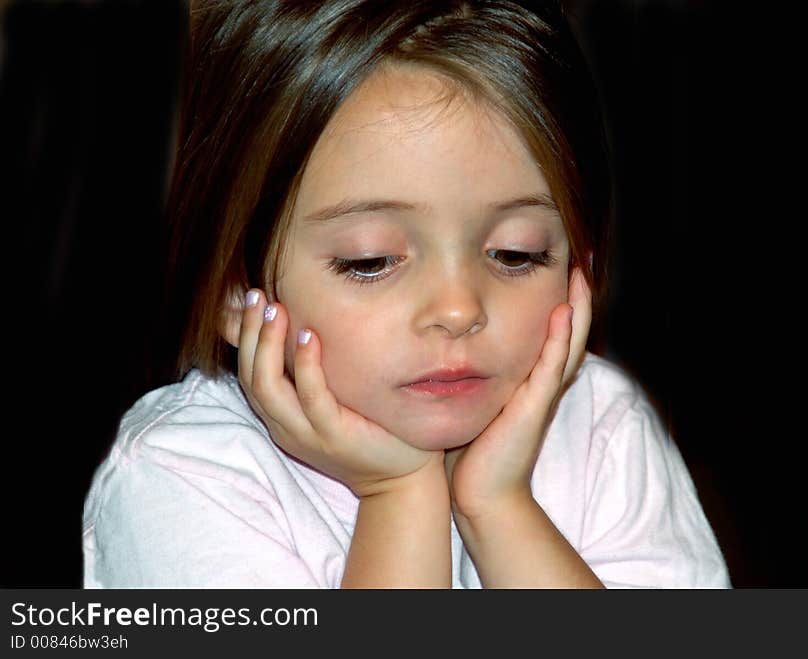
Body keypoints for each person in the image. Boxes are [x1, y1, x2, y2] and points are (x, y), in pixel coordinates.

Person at [82, 0, 730, 588]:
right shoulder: (181, 477)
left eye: (517, 253)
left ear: (580, 266)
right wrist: (399, 495)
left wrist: (499, 506)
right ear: (233, 283)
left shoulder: (604, 434)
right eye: (370, 261)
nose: (458, 308)